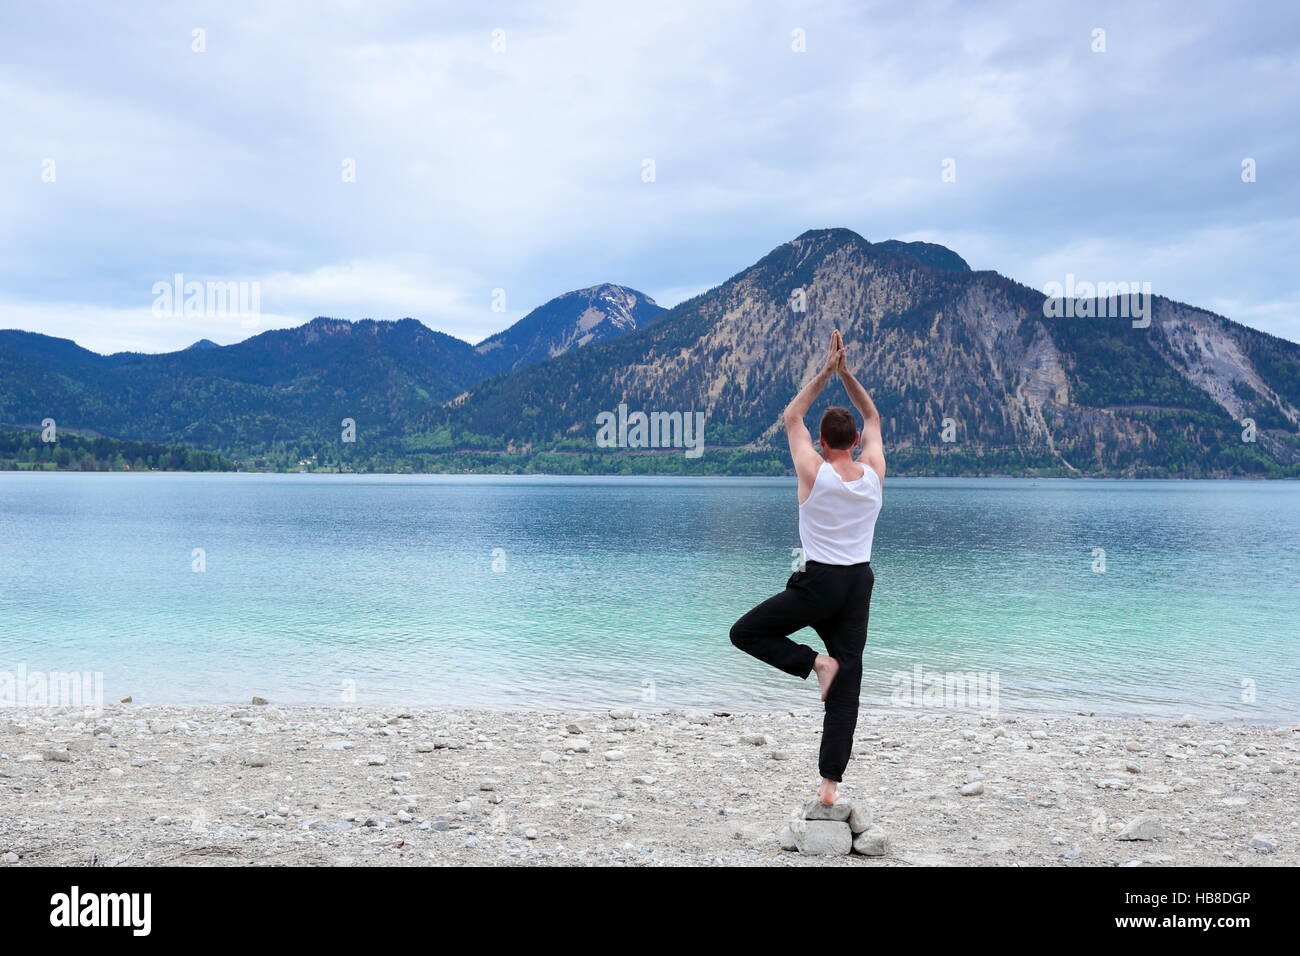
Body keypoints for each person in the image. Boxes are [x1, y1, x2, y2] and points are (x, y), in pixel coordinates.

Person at [729, 329, 885, 805]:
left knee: (745, 633)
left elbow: (791, 414)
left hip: (818, 582)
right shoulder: (874, 474)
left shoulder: (812, 472)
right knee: (849, 677)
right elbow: (874, 414)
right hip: (857, 583)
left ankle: (814, 663)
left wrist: (825, 371)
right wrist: (847, 373)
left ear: (820, 441)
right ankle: (829, 785)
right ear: (856, 441)